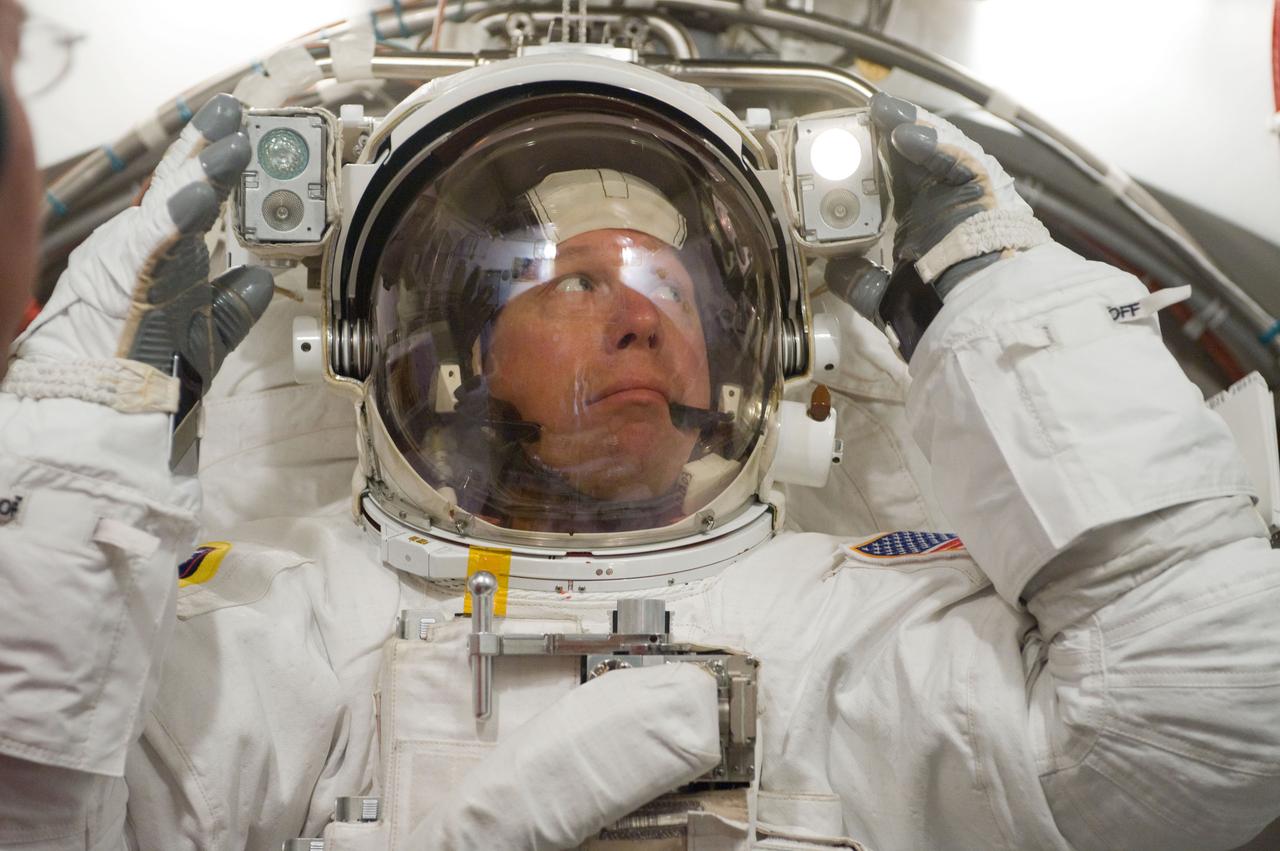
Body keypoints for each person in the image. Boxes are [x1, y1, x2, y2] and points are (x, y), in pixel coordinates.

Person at [2, 18, 1279, 851]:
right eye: (574, 285)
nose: (637, 320)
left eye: (672, 290)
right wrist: (81, 424)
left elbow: (1202, 728)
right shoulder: (274, 636)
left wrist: (1004, 291)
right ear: (452, 356)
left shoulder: (860, 625)